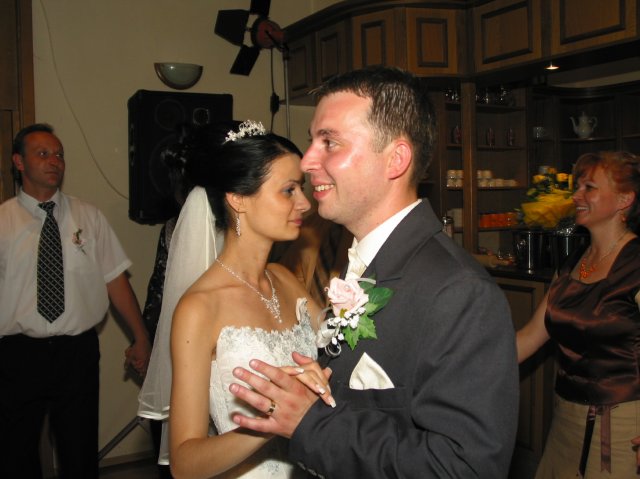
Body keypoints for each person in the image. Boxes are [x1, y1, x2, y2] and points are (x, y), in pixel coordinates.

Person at [229, 67, 520, 478]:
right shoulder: (363, 264)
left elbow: (465, 469)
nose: (308, 161)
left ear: (395, 159)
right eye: (313, 141)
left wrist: (313, 423)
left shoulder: (460, 293)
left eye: (329, 142)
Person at [138, 120, 334, 479]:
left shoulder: (285, 280)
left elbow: (340, 353)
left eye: (302, 188)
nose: (304, 203)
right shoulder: (200, 308)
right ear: (238, 198)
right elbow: (184, 463)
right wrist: (270, 420)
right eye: (288, 190)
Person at [0, 123, 151, 478]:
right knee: (16, 453)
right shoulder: (3, 221)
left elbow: (115, 279)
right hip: (17, 354)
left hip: (76, 352)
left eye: (59, 154)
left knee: (79, 450)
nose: (54, 161)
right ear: (19, 162)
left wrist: (141, 336)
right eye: (43, 154)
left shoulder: (88, 216)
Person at [517, 151, 640, 478]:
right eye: (577, 187)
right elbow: (527, 339)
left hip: (623, 429)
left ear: (624, 199)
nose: (576, 196)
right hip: (565, 421)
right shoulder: (572, 265)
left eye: (589, 188)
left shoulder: (635, 265)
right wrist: (459, 361)